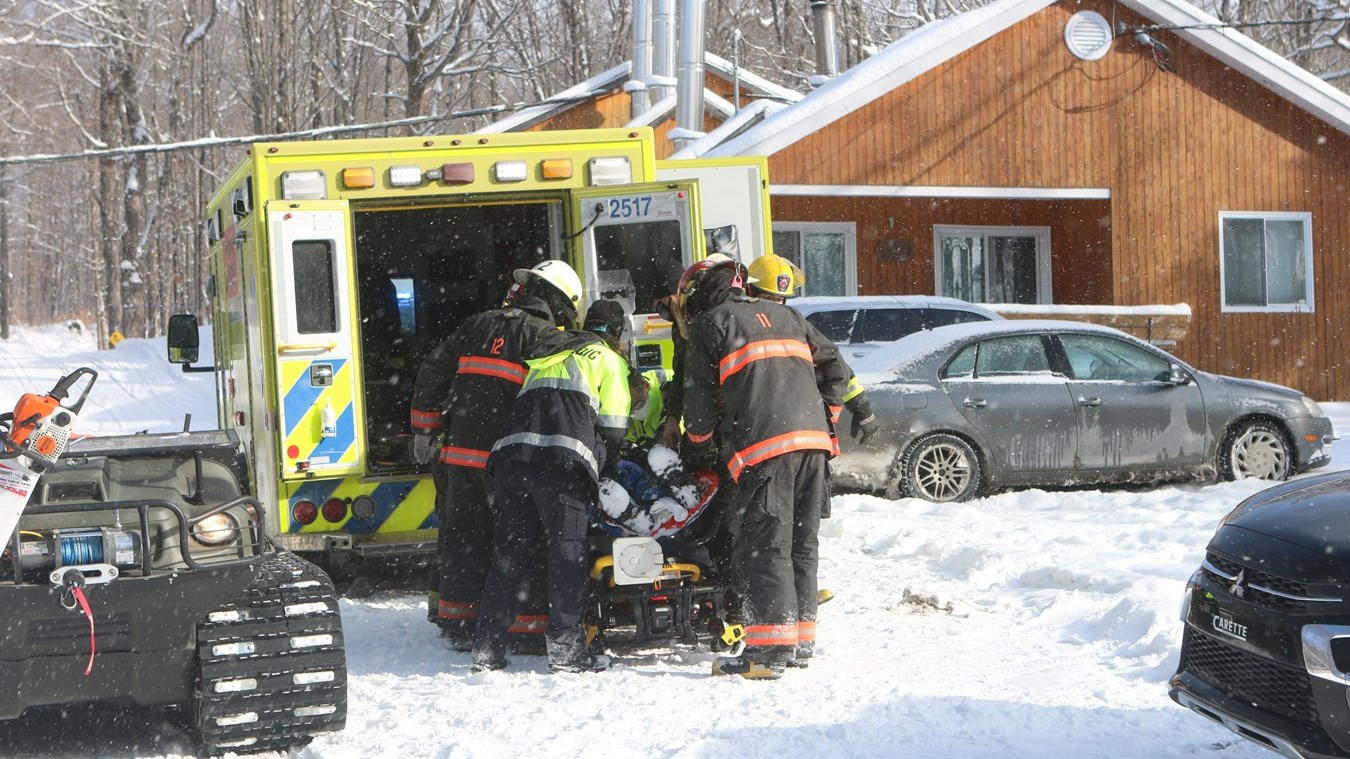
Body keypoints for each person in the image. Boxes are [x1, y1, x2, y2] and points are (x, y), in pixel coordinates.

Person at [676, 256, 871, 680]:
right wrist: (828, 418)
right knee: (802, 544)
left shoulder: (712, 325)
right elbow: (835, 366)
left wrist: (699, 445)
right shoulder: (789, 316)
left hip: (765, 449)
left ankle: (768, 652)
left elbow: (699, 403)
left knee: (767, 546)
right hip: (815, 448)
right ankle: (800, 641)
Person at [408, 259, 581, 651]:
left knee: (463, 539)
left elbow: (433, 370)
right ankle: (525, 626)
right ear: (557, 304)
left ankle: (457, 621)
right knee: (519, 541)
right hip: (508, 461)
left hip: (460, 458)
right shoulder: (545, 339)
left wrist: (425, 428)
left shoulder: (477, 324)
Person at [471, 299, 632, 674]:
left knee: (509, 553)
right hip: (561, 464)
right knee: (567, 554)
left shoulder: (549, 352)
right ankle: (566, 651)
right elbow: (614, 428)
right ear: (618, 333)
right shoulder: (608, 360)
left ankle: (488, 646)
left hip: (512, 459)